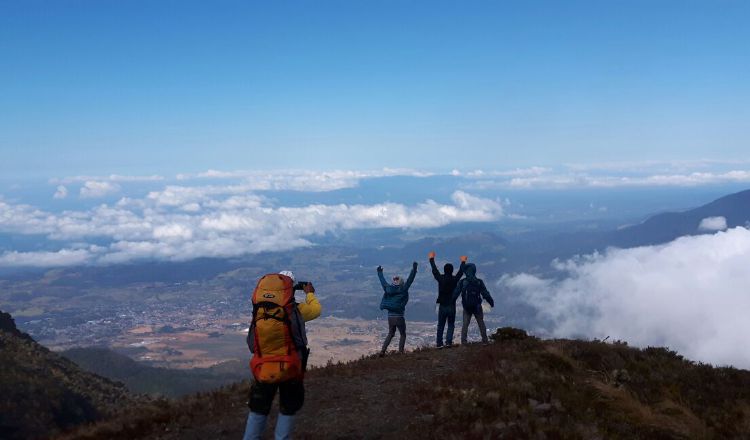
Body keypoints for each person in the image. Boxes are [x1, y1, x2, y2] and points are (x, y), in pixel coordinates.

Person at [243, 270, 321, 440]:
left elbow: (251, 343)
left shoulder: (259, 311)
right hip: (291, 367)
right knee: (288, 407)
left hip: (263, 366)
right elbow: (316, 310)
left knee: (258, 407)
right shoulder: (296, 310)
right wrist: (310, 294)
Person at [377, 262, 417, 356]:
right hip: (399, 316)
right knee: (403, 334)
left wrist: (379, 272)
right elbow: (410, 280)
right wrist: (414, 269)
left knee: (390, 333)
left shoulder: (388, 289)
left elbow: (382, 281)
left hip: (390, 317)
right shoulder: (403, 289)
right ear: (401, 283)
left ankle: (382, 351)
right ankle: (401, 352)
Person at [428, 251, 467, 348]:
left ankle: (439, 343)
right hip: (451, 305)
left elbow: (434, 270)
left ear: (444, 270)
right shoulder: (454, 279)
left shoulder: (440, 279)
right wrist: (463, 262)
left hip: (442, 305)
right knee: (451, 324)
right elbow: (461, 272)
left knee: (440, 325)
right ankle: (448, 342)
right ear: (452, 270)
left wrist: (431, 259)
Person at [452, 263, 494, 344]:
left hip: (466, 307)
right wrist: (491, 302)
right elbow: (485, 293)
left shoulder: (463, 282)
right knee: (481, 322)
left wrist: (451, 301)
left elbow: (456, 293)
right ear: (474, 271)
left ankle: (463, 342)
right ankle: (485, 341)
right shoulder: (479, 282)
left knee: (465, 325)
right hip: (477, 306)